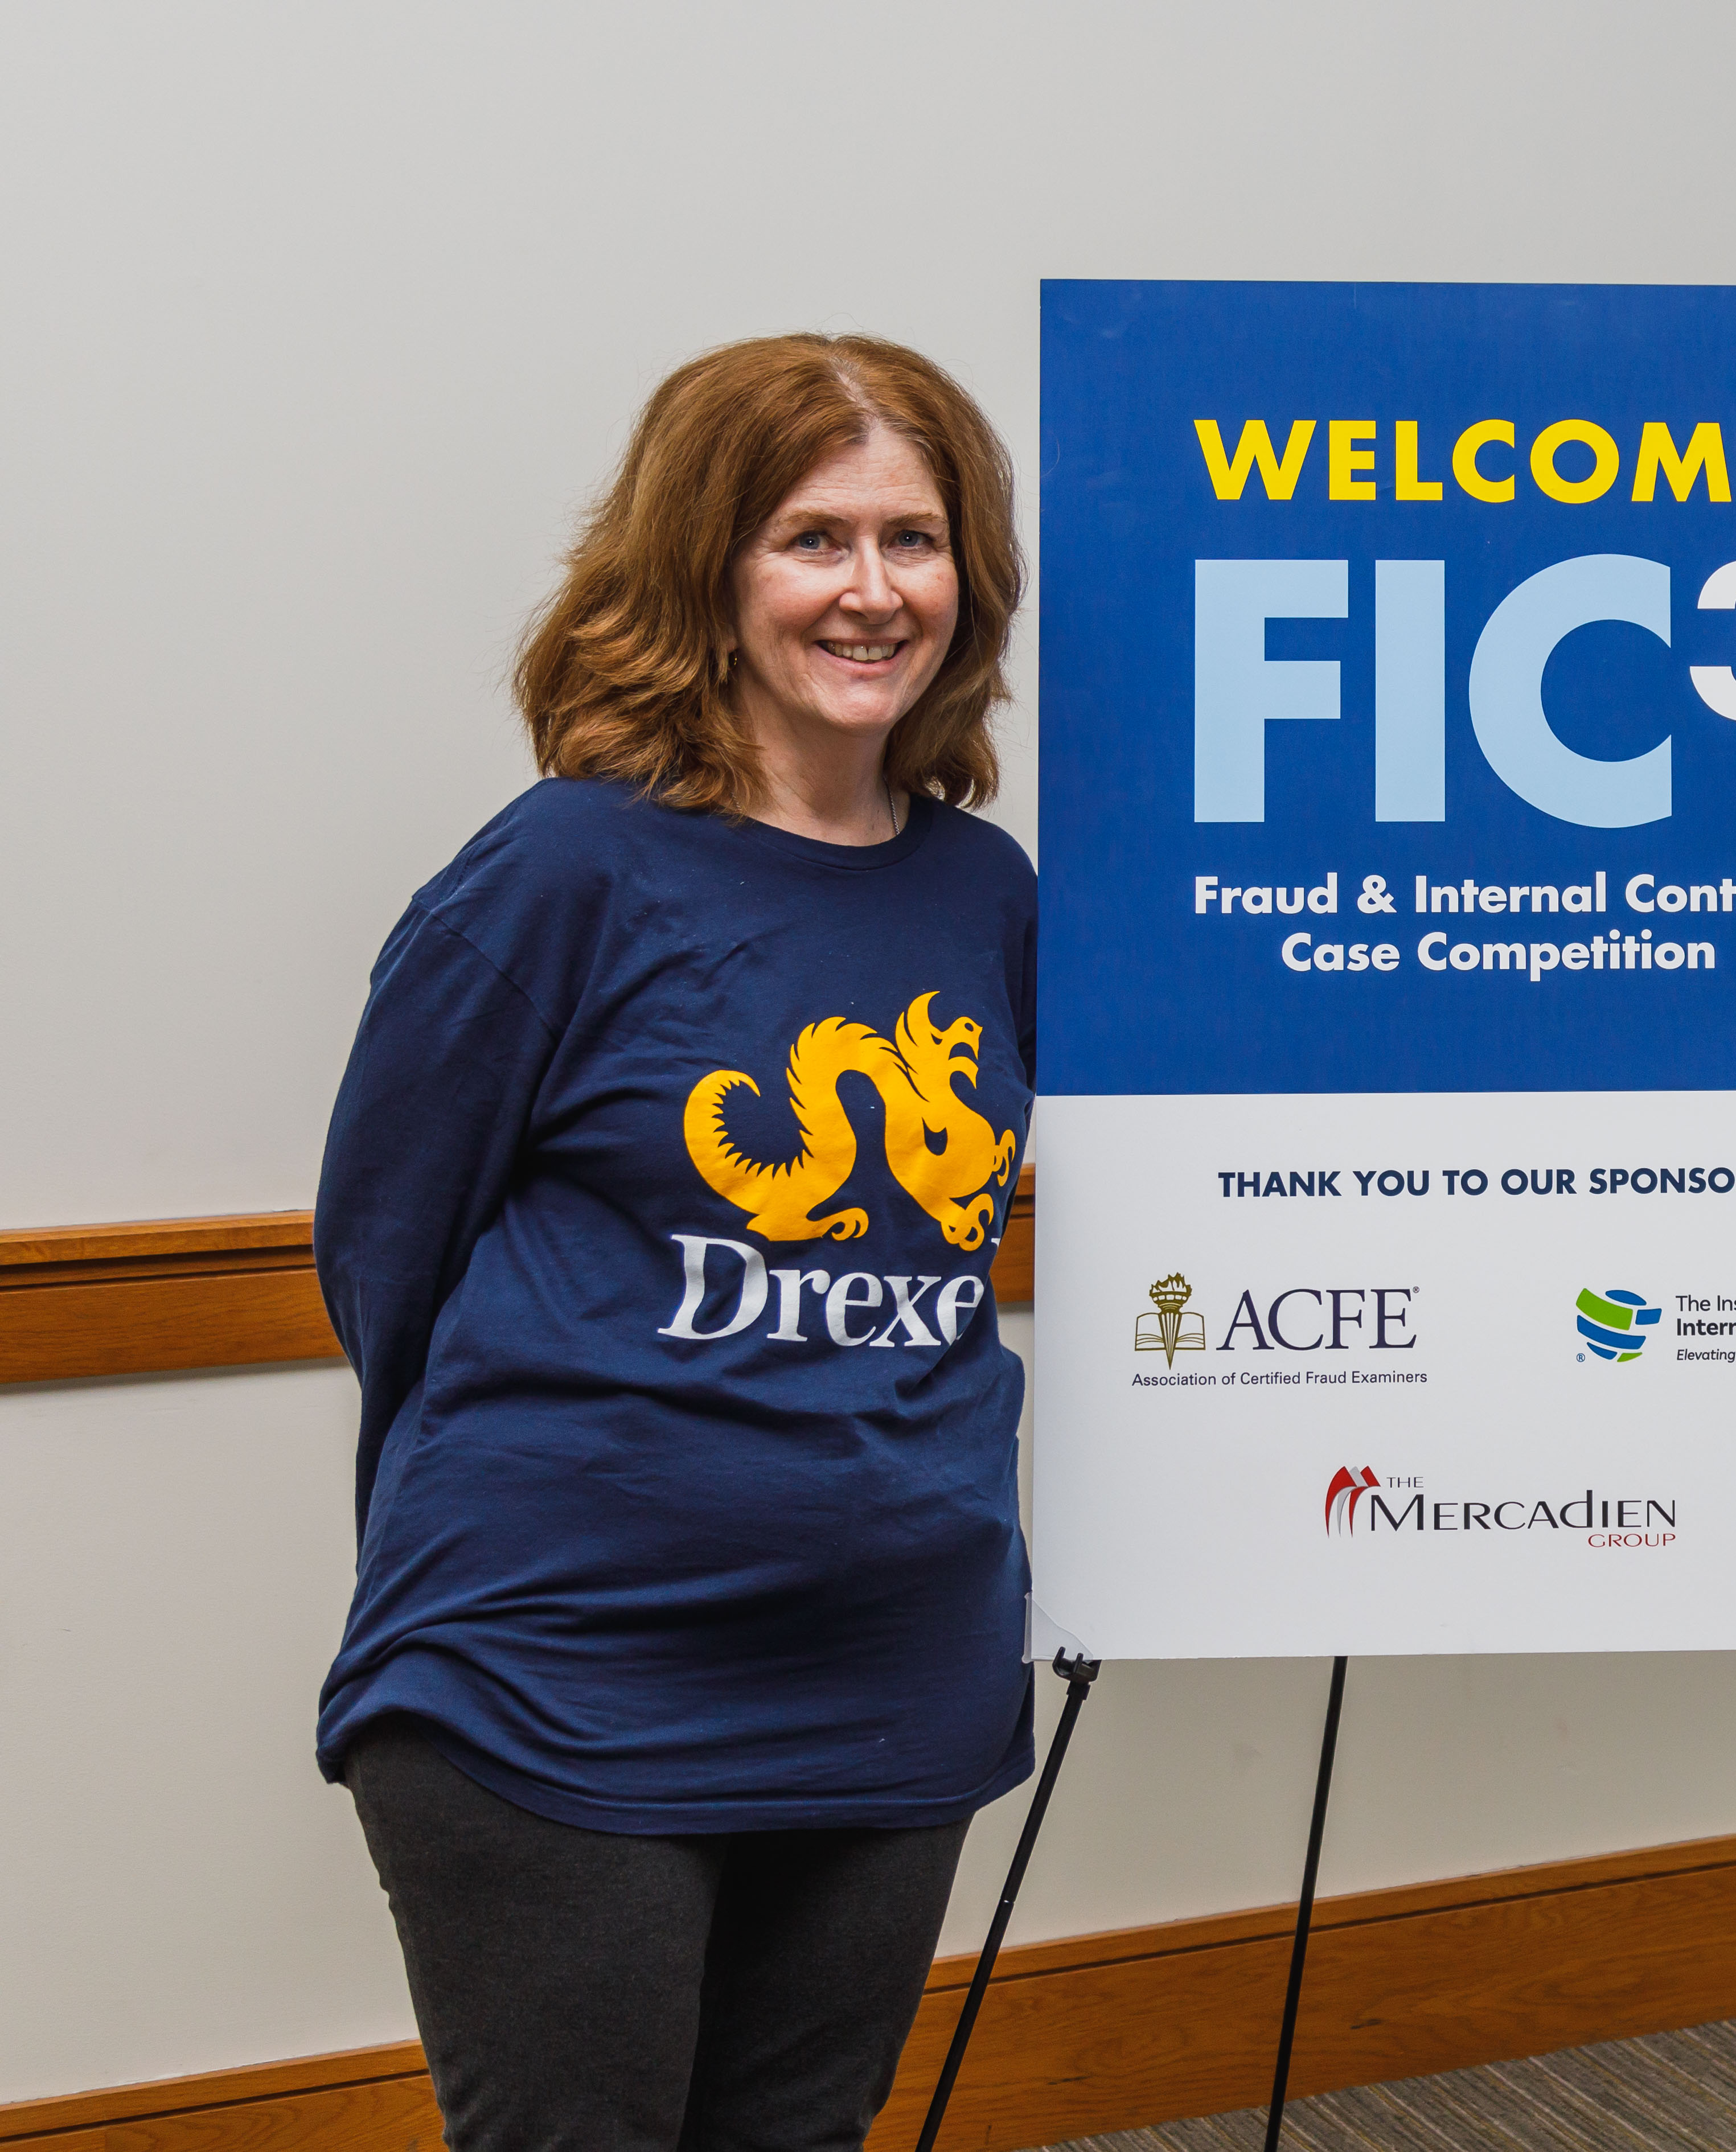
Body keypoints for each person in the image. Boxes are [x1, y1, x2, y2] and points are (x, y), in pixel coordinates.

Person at [312, 333, 1038, 2152]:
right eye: (813, 538)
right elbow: (385, 1253)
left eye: (916, 538)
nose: (875, 589)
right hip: (558, 1667)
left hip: (895, 1669)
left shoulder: (988, 892)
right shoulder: (564, 868)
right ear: (708, 569)